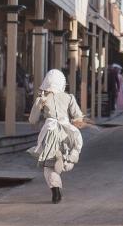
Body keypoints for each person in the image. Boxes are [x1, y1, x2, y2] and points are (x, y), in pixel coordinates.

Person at [28, 69, 86, 204]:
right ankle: (66, 160)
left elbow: (32, 120)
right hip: (65, 131)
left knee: (49, 165)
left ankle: (55, 190)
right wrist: (74, 122)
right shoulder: (69, 97)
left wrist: (39, 104)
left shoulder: (42, 99)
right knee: (72, 150)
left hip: (50, 132)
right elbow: (78, 118)